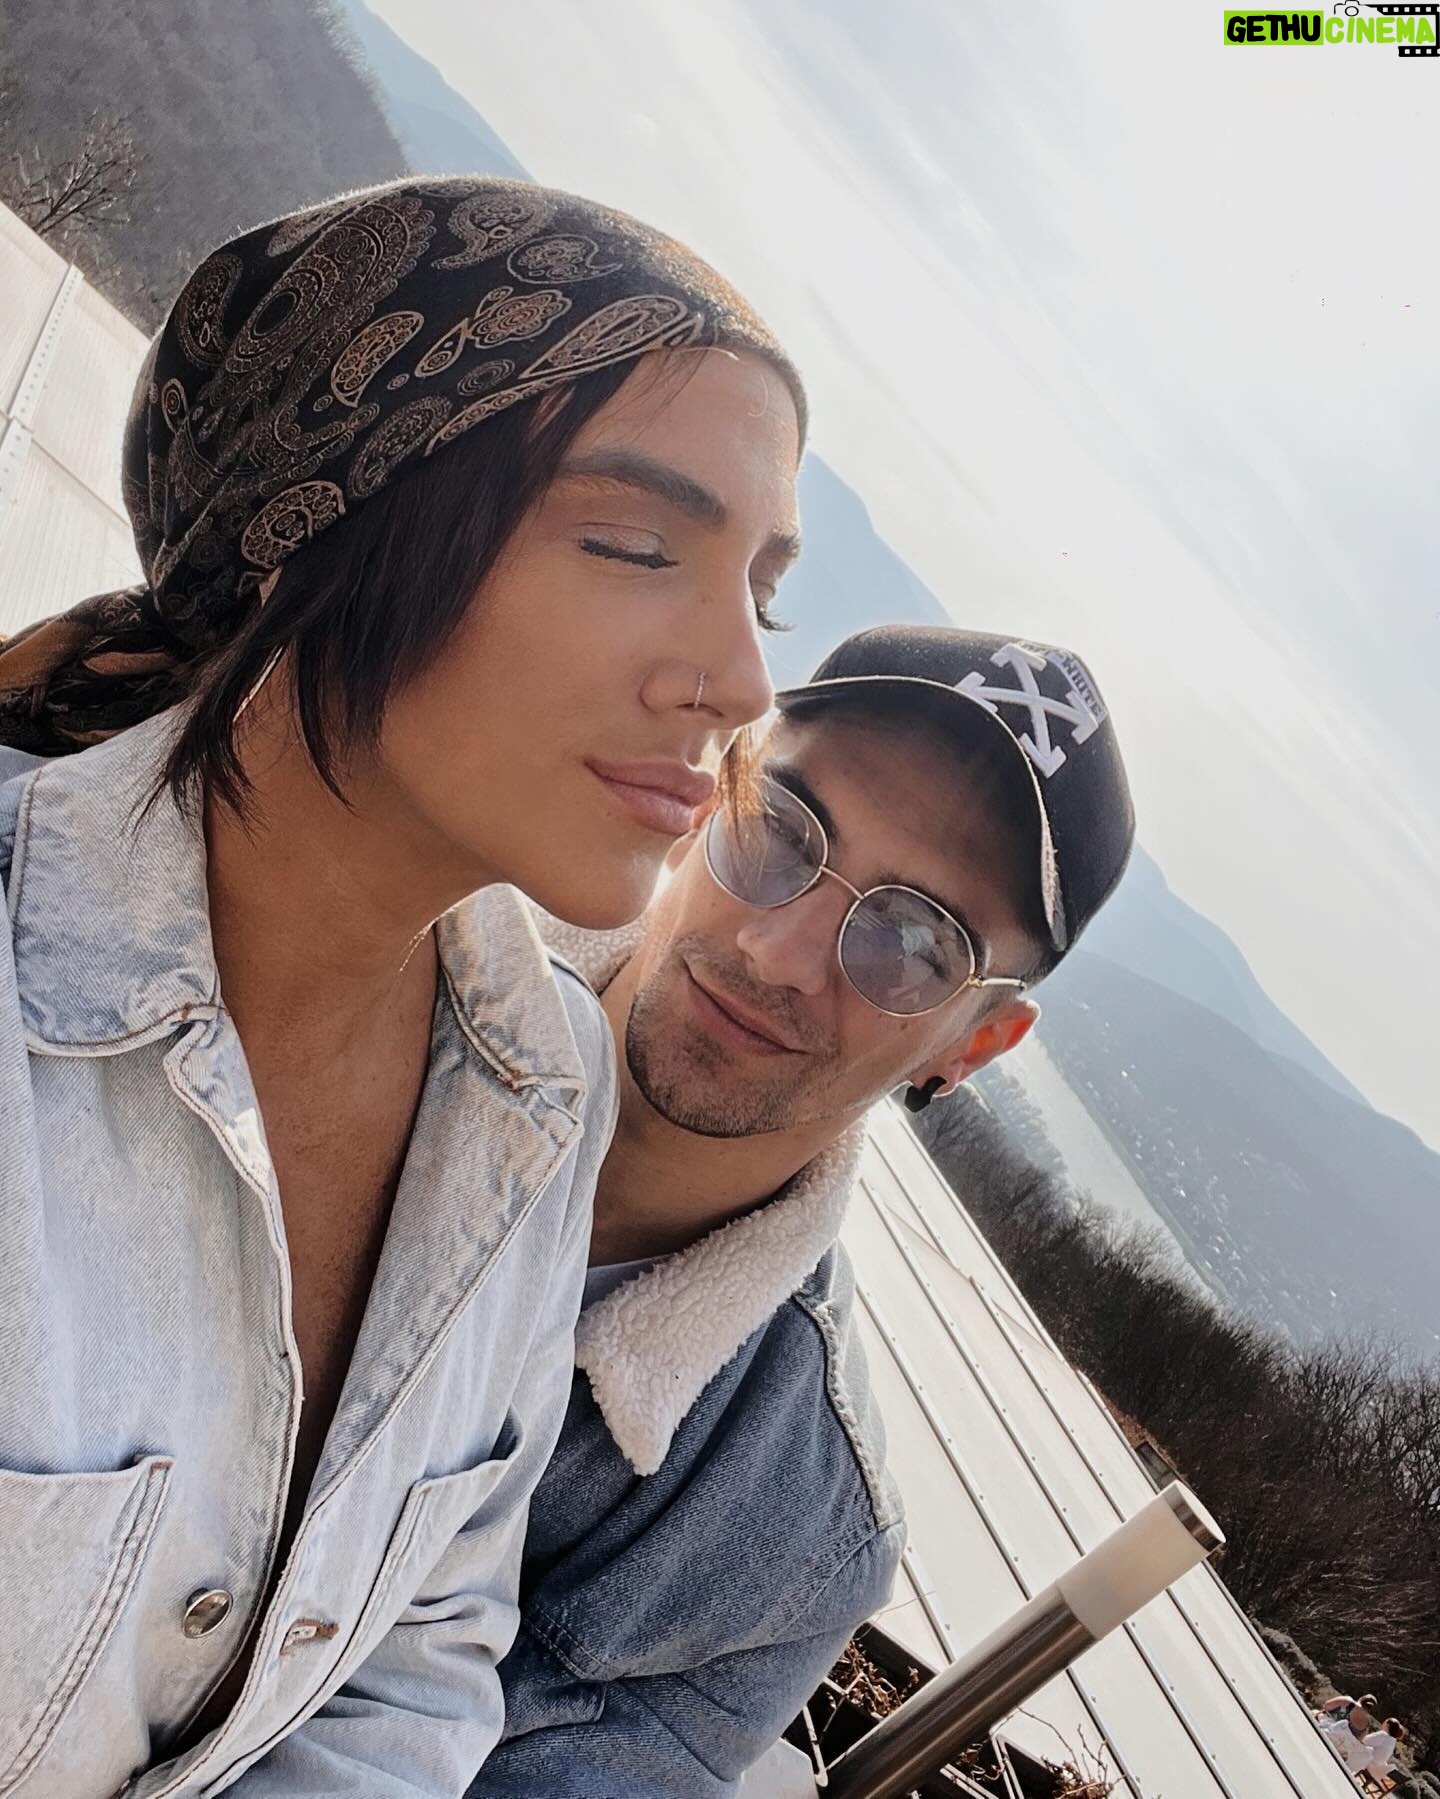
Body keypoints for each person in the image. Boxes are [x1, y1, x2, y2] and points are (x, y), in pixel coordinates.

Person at [0, 176, 803, 1796]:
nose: (741, 680)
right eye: (637, 543)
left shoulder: (542, 1097)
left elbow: (414, 1664)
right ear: (332, 519)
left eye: (763, 589)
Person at [468, 624, 1137, 1796]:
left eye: (914, 941)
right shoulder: (372, 948)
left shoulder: (783, 1535)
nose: (779, 952)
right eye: (780, 830)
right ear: (712, 789)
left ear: (977, 1042)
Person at [1360, 1719, 1406, 1791]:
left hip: (1368, 1766)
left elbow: (1364, 1740)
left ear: (1387, 1725)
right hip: (1378, 1771)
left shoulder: (1383, 1735)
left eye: (1384, 1722)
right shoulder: (1393, 1742)